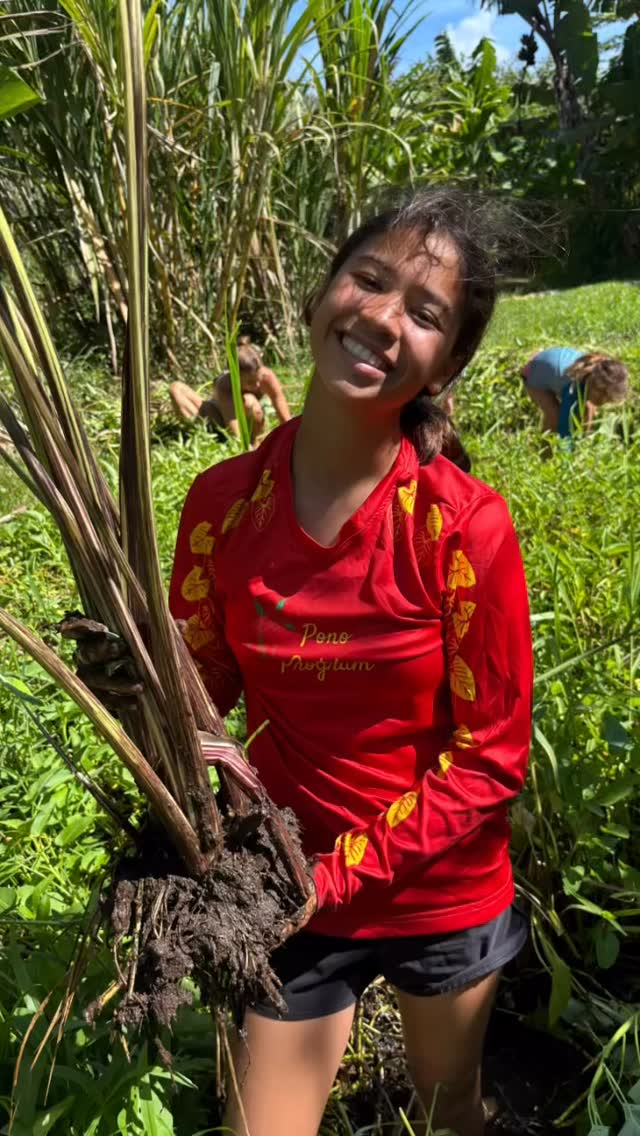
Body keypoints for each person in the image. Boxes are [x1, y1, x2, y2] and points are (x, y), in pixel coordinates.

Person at [168, 187, 533, 1136]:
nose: (381, 317)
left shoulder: (462, 530)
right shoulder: (221, 508)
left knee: (448, 1108)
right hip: (290, 890)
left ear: (447, 362)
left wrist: (334, 876)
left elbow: (492, 758)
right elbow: (199, 701)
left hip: (441, 889)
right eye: (368, 280)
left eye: (424, 313)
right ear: (322, 291)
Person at [169, 340, 291, 446]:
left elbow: (283, 411)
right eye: (250, 382)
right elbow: (233, 426)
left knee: (249, 401)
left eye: (258, 380)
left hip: (253, 419)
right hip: (221, 417)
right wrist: (242, 448)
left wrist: (290, 436)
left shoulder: (266, 376)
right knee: (176, 389)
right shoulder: (224, 386)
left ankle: (257, 442)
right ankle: (198, 435)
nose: (257, 385)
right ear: (235, 376)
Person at [521, 347, 629, 437]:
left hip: (552, 362)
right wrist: (567, 455)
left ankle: (585, 440)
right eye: (604, 397)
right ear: (595, 388)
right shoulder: (571, 388)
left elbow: (590, 406)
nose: (604, 401)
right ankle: (544, 455)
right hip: (533, 374)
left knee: (588, 408)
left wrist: (585, 442)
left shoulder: (597, 372)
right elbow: (564, 427)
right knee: (554, 416)